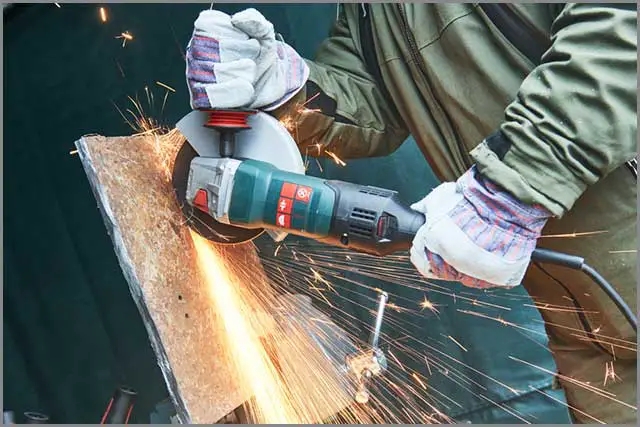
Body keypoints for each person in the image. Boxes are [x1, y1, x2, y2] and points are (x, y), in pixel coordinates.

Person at [184, 4, 637, 423]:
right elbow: (374, 104)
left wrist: (515, 185)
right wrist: (287, 88)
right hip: (590, 332)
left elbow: (619, 32)